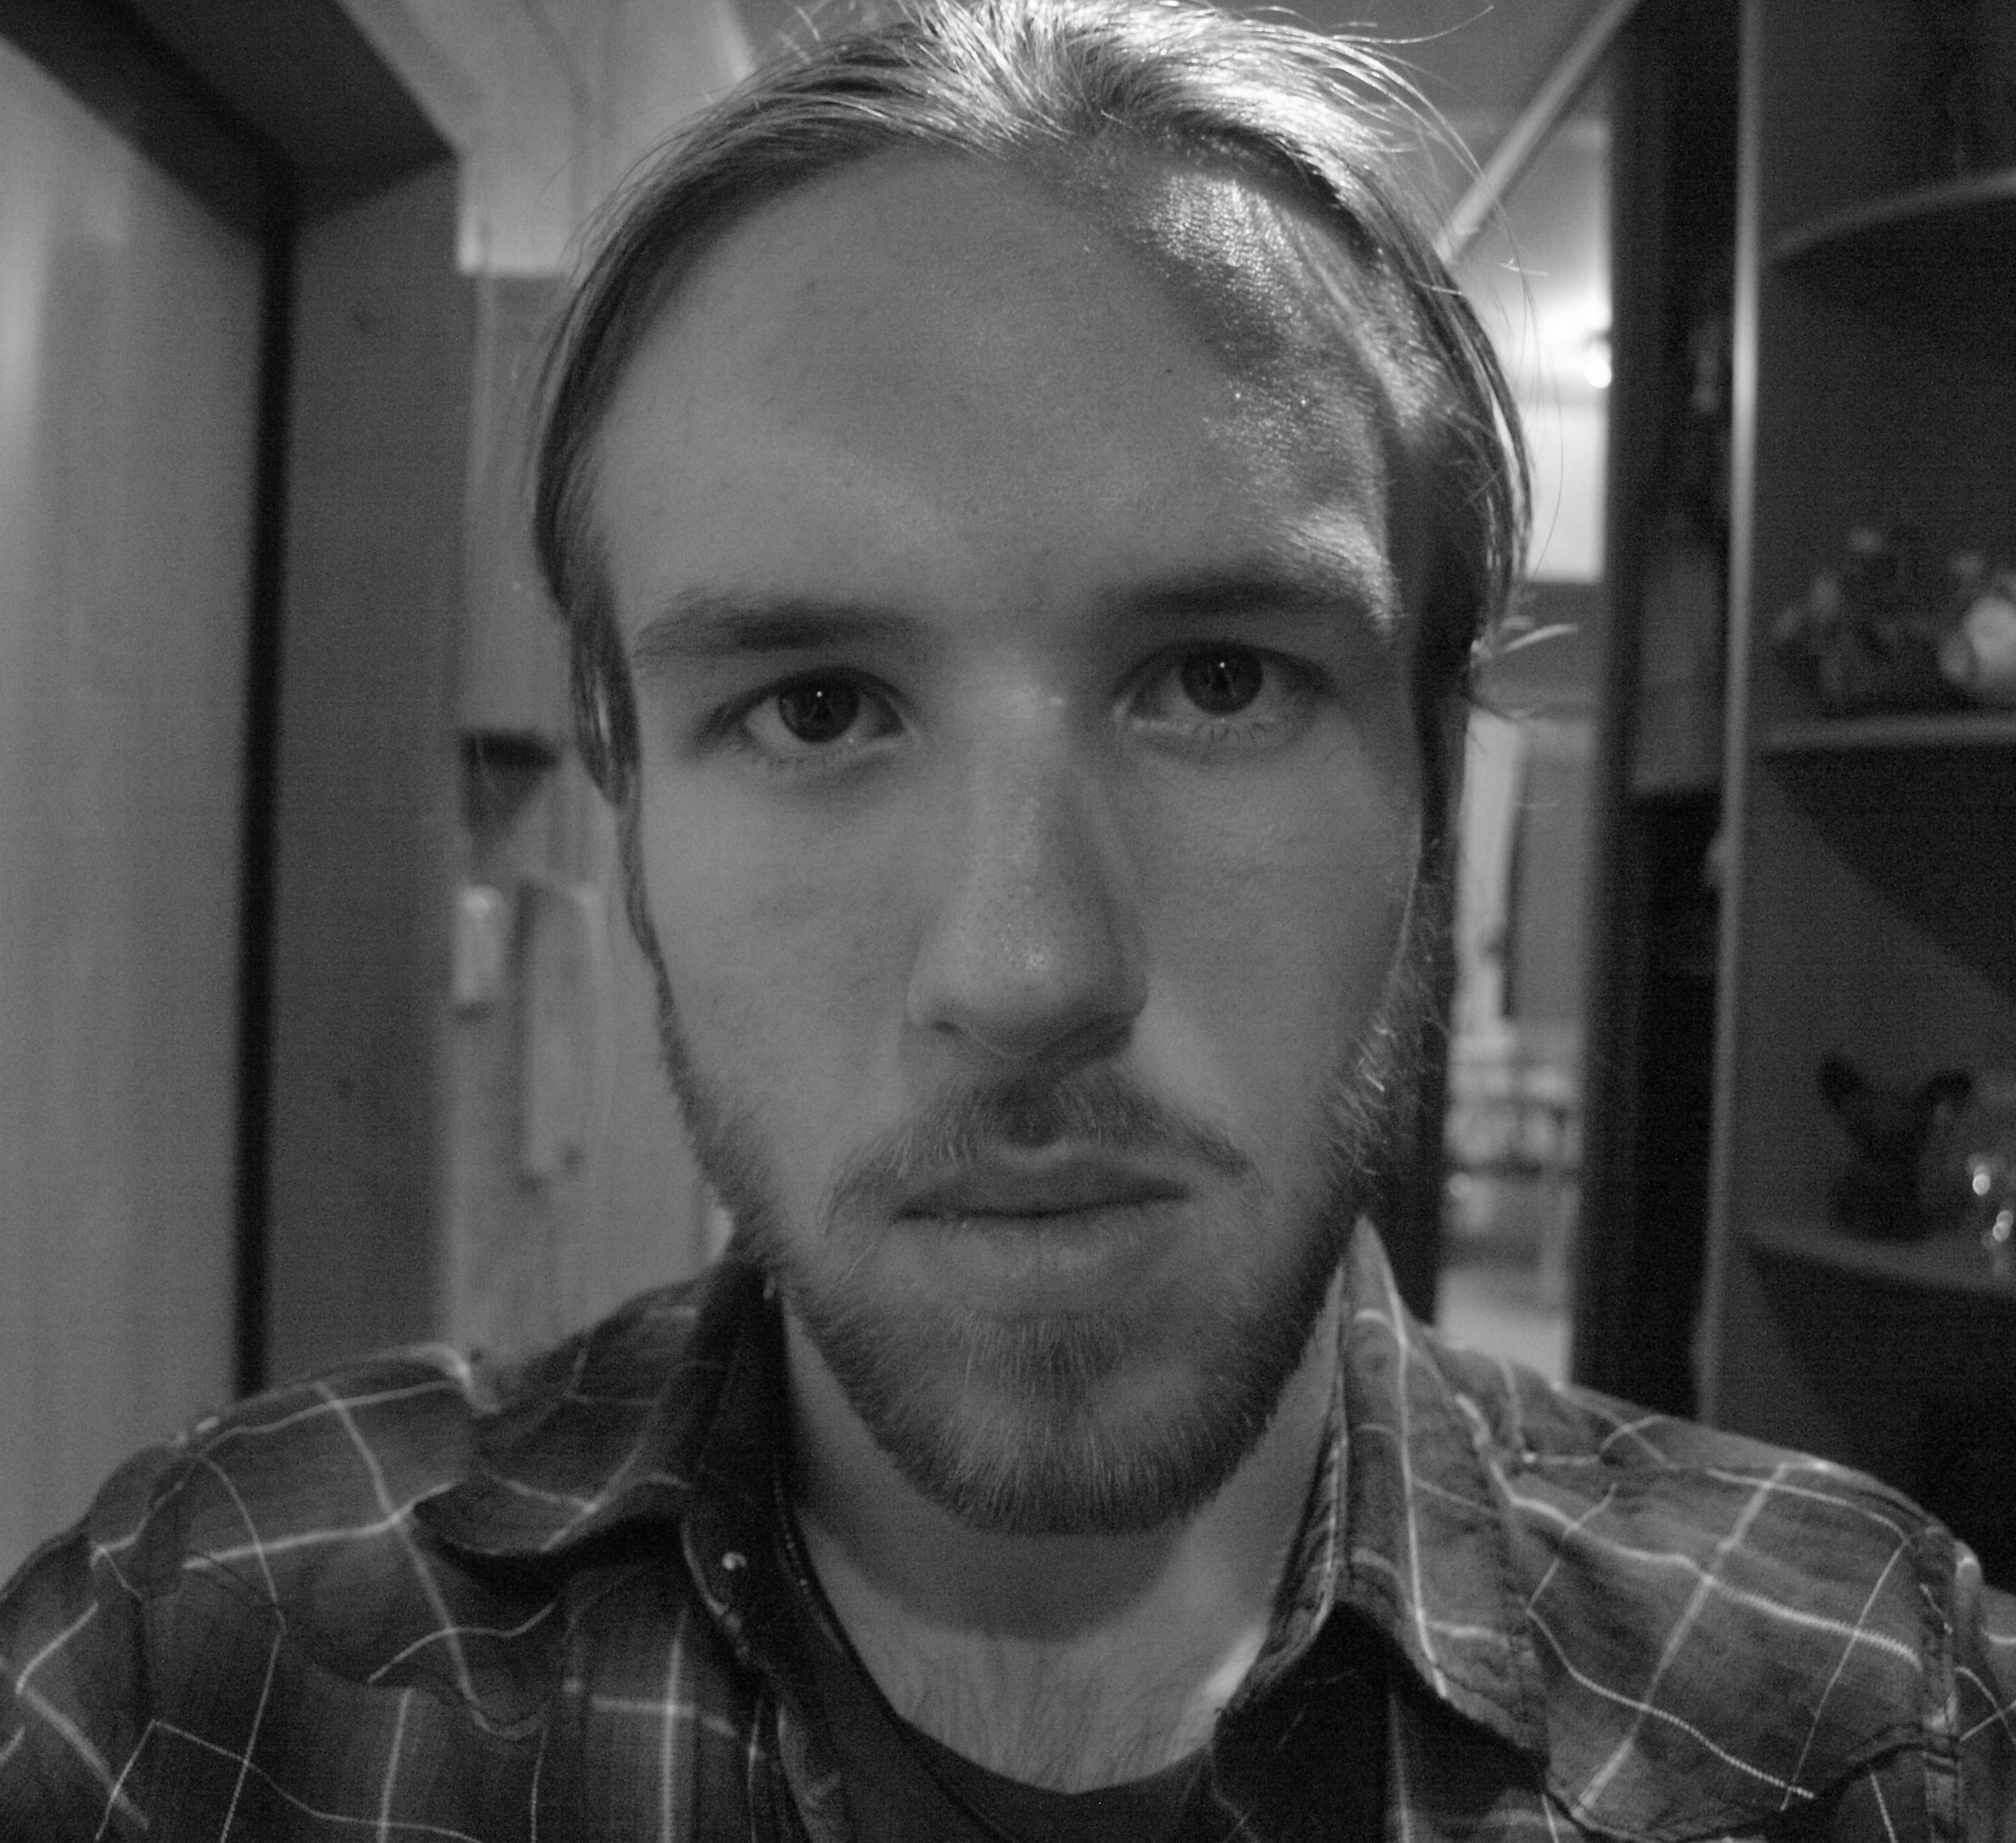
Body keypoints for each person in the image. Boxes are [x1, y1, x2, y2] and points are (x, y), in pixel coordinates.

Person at [4, 0, 2012, 1834]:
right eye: (815, 708)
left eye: (1217, 680)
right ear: (626, 813)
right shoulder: (202, 1685)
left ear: (1431, 780)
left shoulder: (1862, 1734)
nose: (1028, 970)